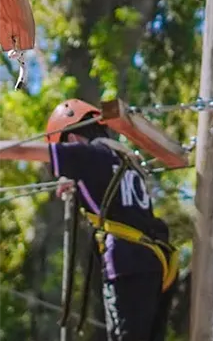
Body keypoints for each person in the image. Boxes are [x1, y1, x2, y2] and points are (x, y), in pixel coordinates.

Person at [0, 99, 177, 341]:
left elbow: (20, 150)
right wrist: (75, 181)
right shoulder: (126, 161)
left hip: (127, 263)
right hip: (156, 264)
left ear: (71, 139)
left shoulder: (84, 154)